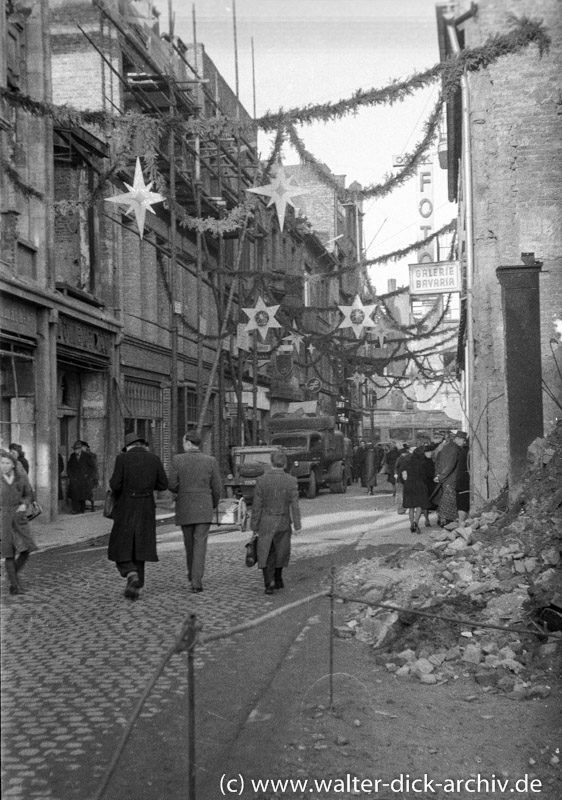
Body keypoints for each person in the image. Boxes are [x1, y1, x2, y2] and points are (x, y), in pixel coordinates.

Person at [107, 432, 168, 600]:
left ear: (128, 446)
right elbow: (163, 484)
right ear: (141, 444)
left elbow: (114, 484)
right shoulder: (154, 459)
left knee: (120, 544)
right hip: (146, 507)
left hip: (126, 506)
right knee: (141, 547)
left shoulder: (122, 459)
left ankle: (130, 572)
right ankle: (138, 588)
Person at [168, 432, 223, 593]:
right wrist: (212, 504)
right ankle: (196, 580)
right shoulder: (210, 461)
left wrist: (183, 491)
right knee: (200, 544)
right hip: (203, 507)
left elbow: (171, 484)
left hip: (185, 507)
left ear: (188, 443)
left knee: (189, 544)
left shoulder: (177, 460)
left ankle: (192, 574)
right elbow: (217, 487)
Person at [251, 450, 302, 595]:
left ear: (271, 463)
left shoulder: (261, 480)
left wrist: (254, 526)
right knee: (281, 550)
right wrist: (297, 525)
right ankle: (278, 578)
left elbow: (257, 506)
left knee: (267, 551)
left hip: (266, 521)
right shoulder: (291, 480)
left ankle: (269, 583)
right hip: (283, 520)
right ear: (285, 464)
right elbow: (295, 505)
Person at [1, 449, 37, 595]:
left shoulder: (20, 478)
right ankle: (15, 585)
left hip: (19, 518)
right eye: (2, 463)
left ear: (13, 465)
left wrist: (24, 503)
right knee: (8, 552)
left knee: (26, 549)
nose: (3, 466)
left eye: (7, 463)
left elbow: (29, 494)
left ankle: (12, 578)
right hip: (2, 519)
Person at [434, 431, 466, 527]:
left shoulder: (446, 447)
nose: (464, 443)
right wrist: (441, 476)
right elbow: (450, 465)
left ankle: (442, 520)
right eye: (463, 440)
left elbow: (438, 462)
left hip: (445, 479)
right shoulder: (455, 449)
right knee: (449, 502)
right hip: (451, 479)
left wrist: (438, 475)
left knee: (444, 500)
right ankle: (446, 522)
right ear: (457, 439)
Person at [402, 446, 432, 533]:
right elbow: (425, 475)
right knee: (419, 506)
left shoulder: (407, 462)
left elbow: (403, 473)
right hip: (419, 484)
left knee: (411, 507)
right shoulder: (422, 463)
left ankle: (411, 524)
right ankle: (416, 522)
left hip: (409, 484)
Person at [66, 440, 96, 514]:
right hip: (74, 479)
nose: (75, 450)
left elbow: (92, 467)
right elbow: (69, 467)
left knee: (82, 495)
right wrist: (70, 475)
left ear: (80, 449)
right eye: (74, 449)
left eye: (77, 449)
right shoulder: (72, 456)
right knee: (74, 495)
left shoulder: (87, 456)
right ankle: (75, 509)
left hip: (84, 479)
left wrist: (88, 475)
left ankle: (82, 509)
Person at [455, 434, 470, 526]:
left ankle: (461, 522)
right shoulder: (463, 450)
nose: (456, 441)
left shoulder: (465, 451)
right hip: (462, 479)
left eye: (458, 439)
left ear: (464, 440)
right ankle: (462, 522)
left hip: (463, 480)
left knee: (462, 501)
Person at [393, 444, 411, 514]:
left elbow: (395, 467)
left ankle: (400, 509)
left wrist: (396, 474)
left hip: (400, 479)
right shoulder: (408, 458)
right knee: (402, 494)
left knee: (400, 494)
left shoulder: (399, 458)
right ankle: (402, 508)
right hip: (405, 478)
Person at [82, 442, 99, 512]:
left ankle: (90, 506)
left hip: (89, 477)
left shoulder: (89, 455)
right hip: (90, 477)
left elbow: (94, 467)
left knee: (88, 492)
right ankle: (88, 506)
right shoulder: (91, 455)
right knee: (87, 492)